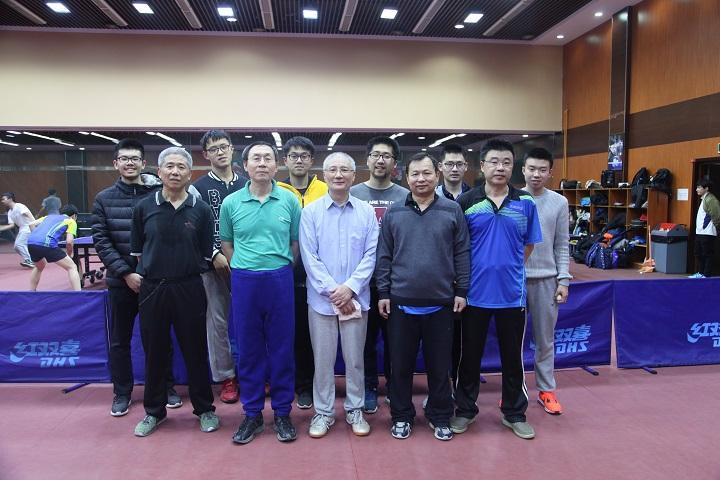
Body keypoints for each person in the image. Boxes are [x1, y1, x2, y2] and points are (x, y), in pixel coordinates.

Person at [376, 153, 470, 441]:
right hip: (401, 304)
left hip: (441, 304)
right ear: (406, 178)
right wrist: (383, 292)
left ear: (436, 175)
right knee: (400, 368)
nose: (421, 179)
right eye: (415, 174)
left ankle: (440, 415)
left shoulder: (452, 210)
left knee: (440, 368)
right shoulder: (394, 213)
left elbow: (462, 253)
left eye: (427, 173)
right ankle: (401, 416)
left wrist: (462, 291)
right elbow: (384, 255)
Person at [452, 139, 542, 440]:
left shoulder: (525, 202)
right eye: (494, 161)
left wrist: (507, 268)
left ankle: (514, 414)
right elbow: (458, 248)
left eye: (506, 162)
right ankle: (465, 410)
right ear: (482, 166)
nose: (500, 167)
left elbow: (528, 245)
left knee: (512, 359)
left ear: (513, 166)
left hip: (512, 296)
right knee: (469, 358)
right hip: (473, 296)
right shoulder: (466, 202)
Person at [130, 147, 219, 437]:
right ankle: (154, 412)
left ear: (190, 173)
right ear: (159, 171)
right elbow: (137, 251)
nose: (175, 171)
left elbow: (206, 251)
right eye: (169, 166)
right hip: (153, 289)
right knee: (155, 352)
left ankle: (205, 409)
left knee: (196, 351)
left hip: (190, 287)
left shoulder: (201, 209)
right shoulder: (143, 207)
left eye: (181, 167)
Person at [92, 138, 181, 417]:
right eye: (124, 158)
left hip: (155, 282)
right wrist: (126, 273)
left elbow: (169, 235)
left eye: (134, 159)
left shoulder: (159, 194)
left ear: (144, 163)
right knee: (120, 341)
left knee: (159, 338)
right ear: (115, 163)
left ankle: (166, 387)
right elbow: (102, 241)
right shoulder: (103, 199)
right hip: (121, 283)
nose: (129, 163)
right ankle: (122, 392)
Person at [220, 141, 301, 445]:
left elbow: (295, 243)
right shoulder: (231, 203)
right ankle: (252, 413)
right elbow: (227, 244)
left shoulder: (289, 200)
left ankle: (282, 413)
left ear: (276, 165)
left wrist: (278, 266)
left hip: (280, 279)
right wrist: (245, 266)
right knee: (249, 349)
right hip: (244, 280)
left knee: (282, 348)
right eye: (256, 158)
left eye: (268, 158)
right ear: (245, 165)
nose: (263, 163)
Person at [300, 152, 378, 438]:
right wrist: (333, 290)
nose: (338, 175)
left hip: (356, 299)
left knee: (355, 359)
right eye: (332, 170)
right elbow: (309, 256)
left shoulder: (366, 212)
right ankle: (323, 412)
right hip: (322, 301)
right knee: (322, 360)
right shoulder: (311, 212)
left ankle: (355, 408)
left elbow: (371, 254)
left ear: (354, 176)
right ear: (324, 175)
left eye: (345, 170)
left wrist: (350, 288)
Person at [350, 135, 409, 414]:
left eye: (386, 155)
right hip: (363, 282)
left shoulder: (405, 196)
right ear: (367, 159)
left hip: (397, 282)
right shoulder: (354, 193)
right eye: (375, 155)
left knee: (396, 340)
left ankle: (395, 387)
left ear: (394, 162)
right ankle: (369, 386)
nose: (380, 160)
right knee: (365, 340)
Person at [192, 130, 247, 404]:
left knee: (252, 321)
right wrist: (214, 254)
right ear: (206, 155)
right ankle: (227, 377)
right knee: (217, 323)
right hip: (212, 266)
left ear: (232, 149)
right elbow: (193, 228)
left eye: (224, 147)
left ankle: (253, 373)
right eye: (214, 149)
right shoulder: (197, 188)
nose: (220, 152)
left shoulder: (248, 183)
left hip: (248, 264)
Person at [277, 136, 328, 410]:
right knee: (295, 334)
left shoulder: (325, 189)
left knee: (320, 335)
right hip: (289, 273)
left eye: (304, 156)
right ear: (285, 160)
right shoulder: (277, 191)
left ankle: (321, 385)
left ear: (311, 160)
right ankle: (301, 385)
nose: (299, 160)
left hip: (322, 273)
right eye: (293, 156)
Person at [522, 147, 571, 415]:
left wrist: (563, 280)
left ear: (550, 173)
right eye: (532, 169)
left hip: (547, 281)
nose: (536, 174)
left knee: (545, 340)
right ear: (523, 170)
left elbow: (562, 244)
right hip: (515, 282)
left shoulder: (559, 202)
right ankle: (515, 391)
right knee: (512, 341)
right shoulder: (513, 199)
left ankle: (546, 390)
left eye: (542, 170)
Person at [26, 204, 81, 291]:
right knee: (72, 267)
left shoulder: (49, 217)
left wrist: (38, 238)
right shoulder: (71, 221)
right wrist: (69, 254)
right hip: (47, 244)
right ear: (74, 215)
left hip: (31, 243)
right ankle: (78, 294)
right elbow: (69, 242)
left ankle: (31, 292)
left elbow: (31, 224)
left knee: (39, 266)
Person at [690, 177, 720, 278]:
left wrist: (717, 228)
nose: (696, 189)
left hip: (708, 232)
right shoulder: (704, 199)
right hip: (700, 232)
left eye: (699, 187)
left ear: (706, 188)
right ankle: (701, 272)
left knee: (707, 254)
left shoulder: (711, 199)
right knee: (698, 253)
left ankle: (706, 275)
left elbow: (716, 215)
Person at [0, 192, 36, 268]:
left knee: (19, 244)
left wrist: (35, 226)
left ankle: (30, 260)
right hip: (22, 229)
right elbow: (12, 225)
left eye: (3, 199)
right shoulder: (10, 212)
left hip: (28, 226)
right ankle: (32, 259)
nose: (2, 201)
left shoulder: (19, 206)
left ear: (10, 199)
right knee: (16, 247)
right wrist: (1, 228)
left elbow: (29, 215)